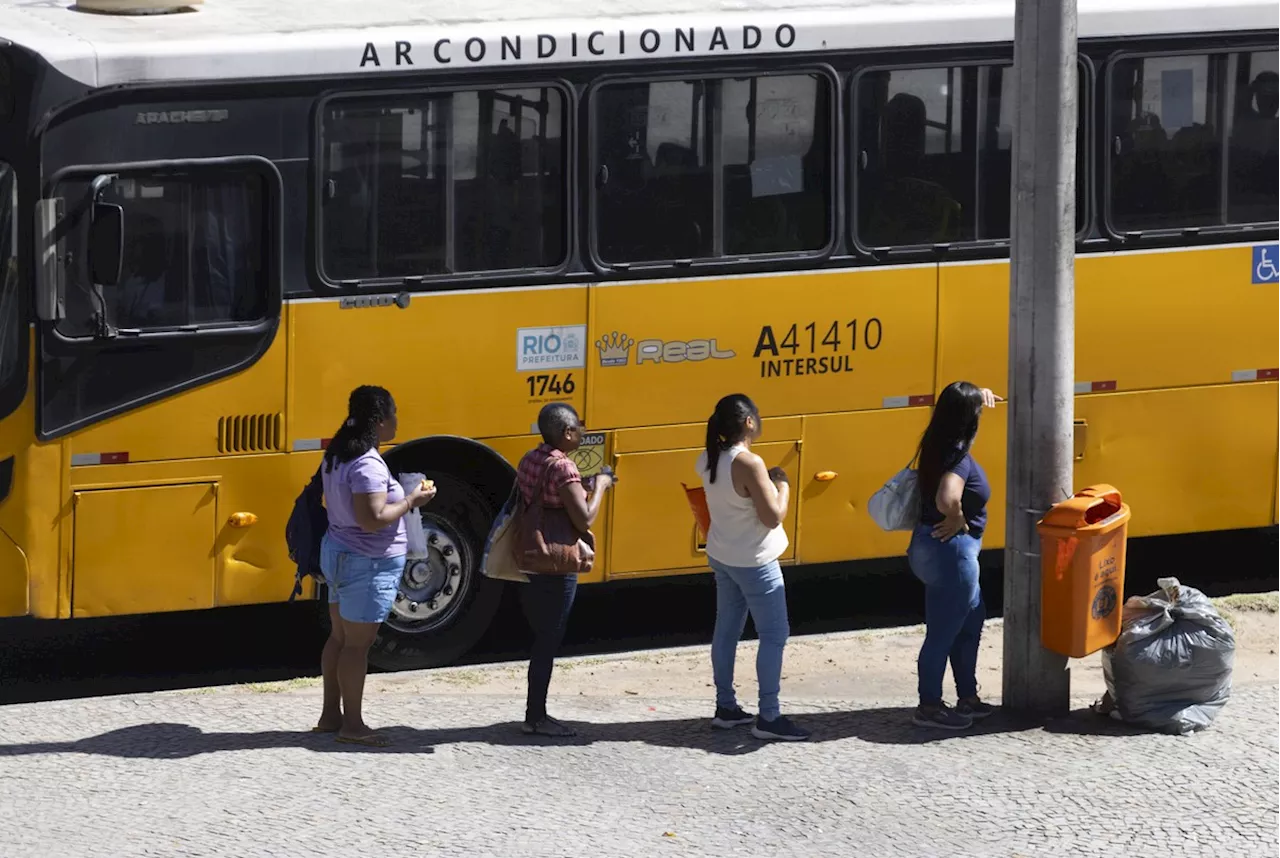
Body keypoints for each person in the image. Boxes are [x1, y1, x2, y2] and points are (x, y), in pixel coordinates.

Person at [315, 385, 435, 746]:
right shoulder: (366, 463)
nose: (397, 422)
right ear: (381, 420)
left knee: (339, 637)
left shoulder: (337, 453)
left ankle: (330, 715)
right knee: (357, 646)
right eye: (394, 414)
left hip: (339, 554)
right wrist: (413, 499)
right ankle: (352, 725)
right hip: (365, 562)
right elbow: (373, 518)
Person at [697, 393, 809, 742]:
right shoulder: (749, 463)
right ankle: (769, 716)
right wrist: (783, 485)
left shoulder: (707, 458)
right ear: (748, 422)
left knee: (726, 630)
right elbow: (773, 516)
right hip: (755, 561)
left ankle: (725, 706)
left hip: (722, 553)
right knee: (774, 635)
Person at [907, 381, 1001, 730]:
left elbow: (962, 401)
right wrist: (957, 517)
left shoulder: (936, 442)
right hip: (952, 552)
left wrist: (979, 394)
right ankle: (929, 707)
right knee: (945, 633)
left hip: (930, 547)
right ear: (967, 418)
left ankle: (967, 698)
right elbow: (948, 498)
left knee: (968, 623)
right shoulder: (958, 455)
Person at [515, 402, 612, 737]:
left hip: (531, 553)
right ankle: (536, 717)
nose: (582, 432)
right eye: (579, 427)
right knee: (549, 638)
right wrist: (600, 485)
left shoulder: (531, 459)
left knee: (539, 634)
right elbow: (584, 517)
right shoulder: (563, 468)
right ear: (567, 432)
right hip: (557, 560)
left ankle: (534, 713)